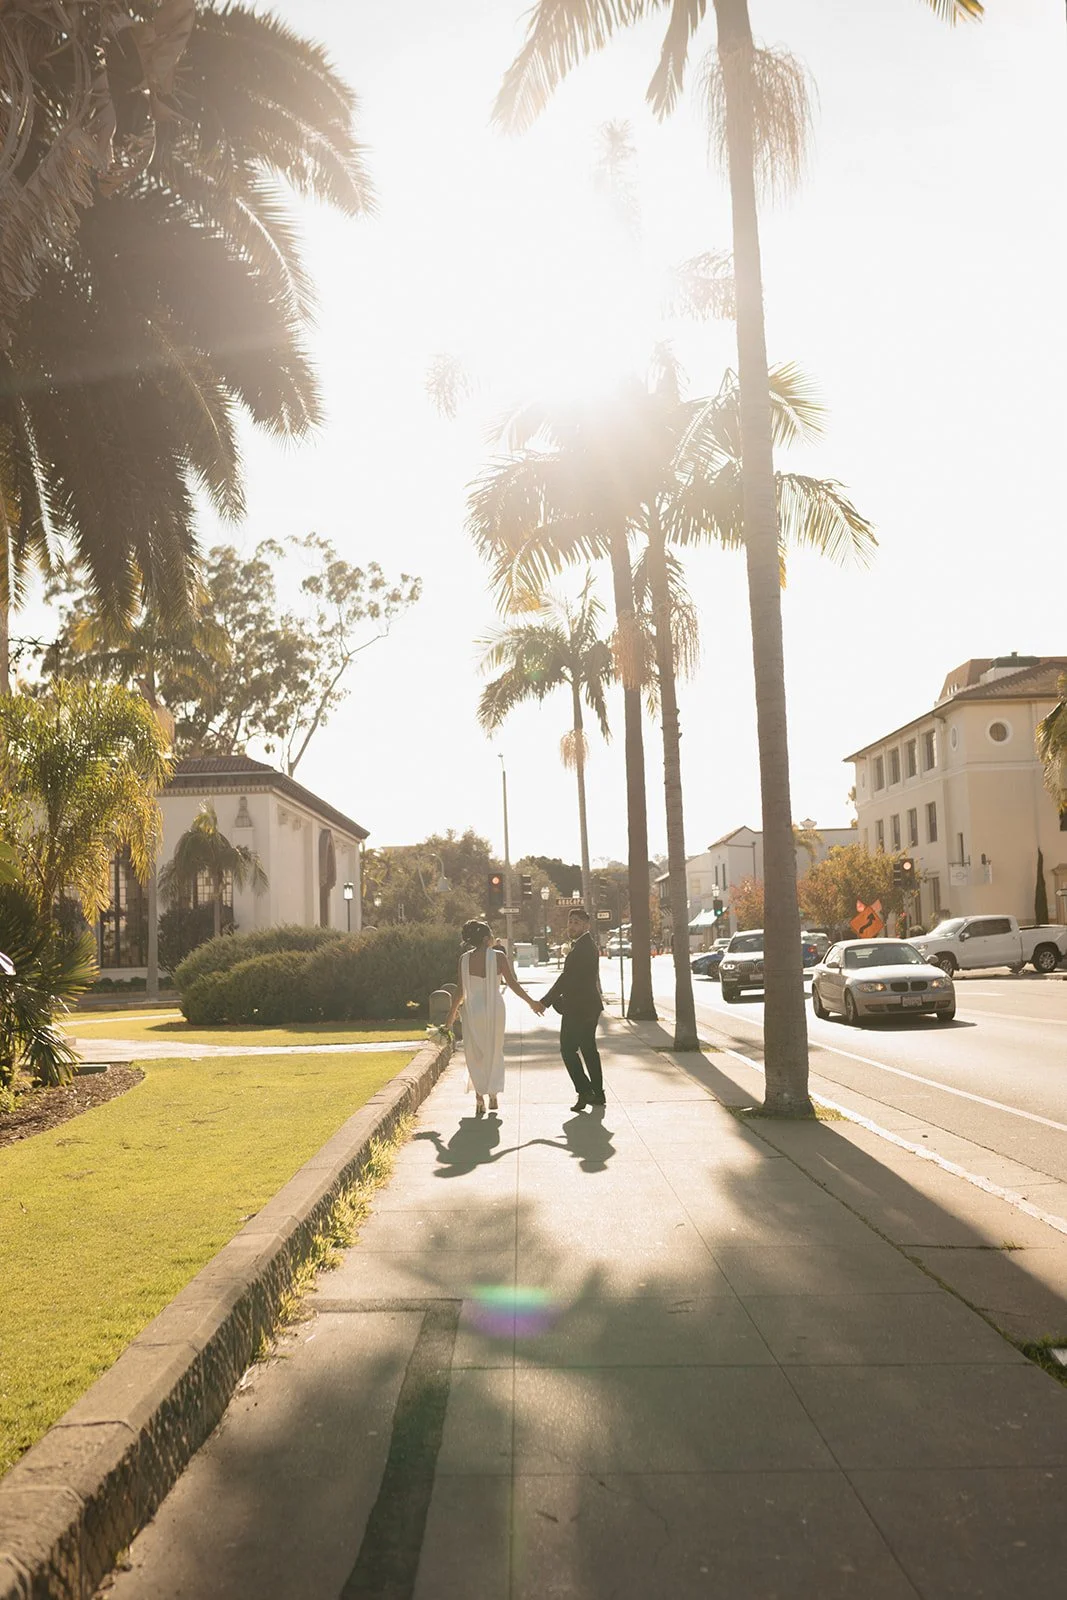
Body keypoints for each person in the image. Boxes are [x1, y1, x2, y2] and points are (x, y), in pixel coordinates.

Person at [445, 920, 540, 1117]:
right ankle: (493, 1093)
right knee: (494, 1050)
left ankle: (479, 1096)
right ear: (487, 939)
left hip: (472, 1010)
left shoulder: (464, 959)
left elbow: (460, 991)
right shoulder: (498, 957)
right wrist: (531, 1002)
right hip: (494, 1009)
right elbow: (512, 984)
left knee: (475, 1052)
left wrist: (451, 1015)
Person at [538, 906, 605, 1112]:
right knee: (588, 1049)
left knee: (568, 1050)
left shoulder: (583, 948)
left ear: (586, 925)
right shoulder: (584, 946)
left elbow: (567, 979)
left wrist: (546, 1001)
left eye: (577, 922)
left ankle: (585, 1090)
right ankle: (598, 1093)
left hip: (579, 1009)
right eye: (570, 922)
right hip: (587, 1006)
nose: (572, 926)